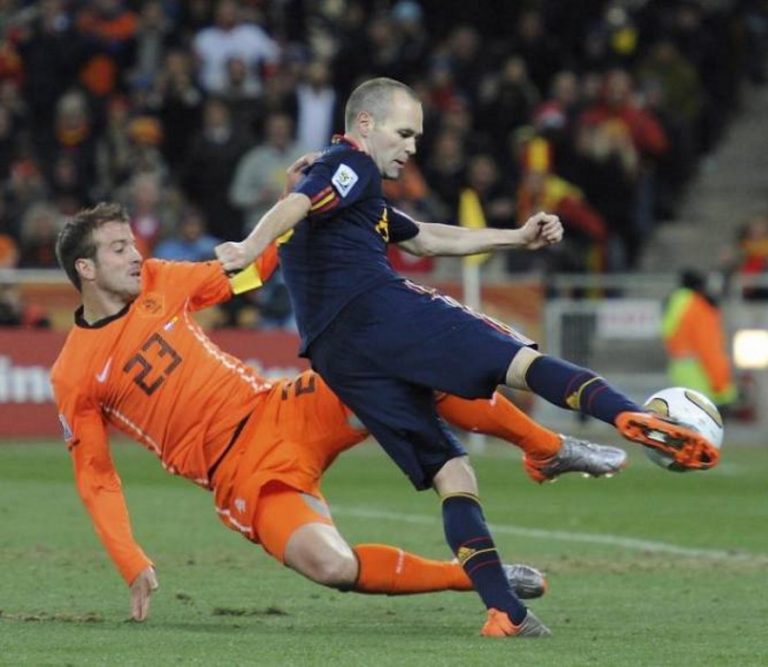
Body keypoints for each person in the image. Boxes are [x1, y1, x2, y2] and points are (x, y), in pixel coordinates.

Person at [216, 77, 720, 637]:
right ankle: (634, 417)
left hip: (335, 355)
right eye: (404, 132)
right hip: (377, 311)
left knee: (451, 471)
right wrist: (247, 247)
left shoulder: (359, 201)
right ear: (365, 125)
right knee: (517, 360)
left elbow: (426, 238)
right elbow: (298, 201)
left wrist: (516, 237)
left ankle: (505, 611)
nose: (411, 147)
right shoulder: (349, 164)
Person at [50, 202, 625, 626]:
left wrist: (299, 214)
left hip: (279, 408)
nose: (137, 254)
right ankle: (472, 575)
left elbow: (250, 271)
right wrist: (130, 559)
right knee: (330, 567)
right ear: (87, 270)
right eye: (120, 248)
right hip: (238, 475)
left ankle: (545, 448)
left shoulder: (161, 282)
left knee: (400, 367)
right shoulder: (72, 372)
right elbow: (96, 476)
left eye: (133, 242)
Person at [661, 270, 736, 410]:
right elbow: (709, 350)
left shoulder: (676, 303)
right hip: (701, 378)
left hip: (679, 373)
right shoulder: (699, 308)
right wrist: (724, 391)